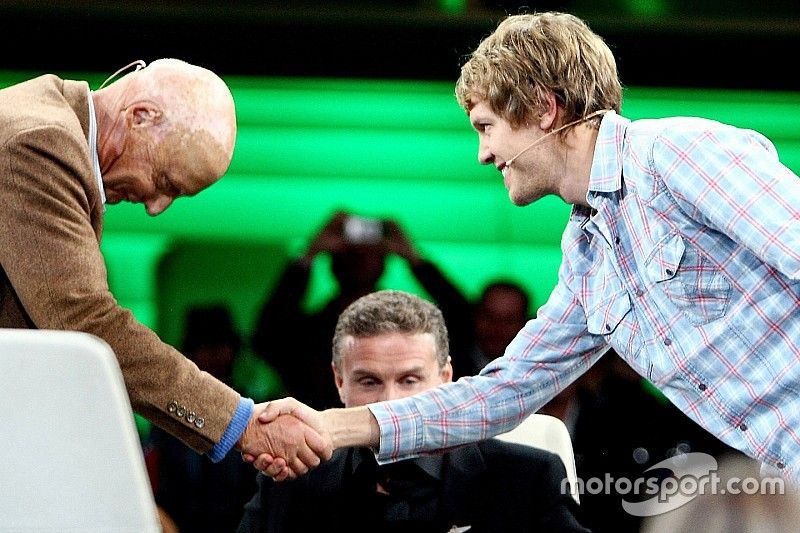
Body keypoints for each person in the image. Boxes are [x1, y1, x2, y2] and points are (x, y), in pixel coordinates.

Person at [253, 11, 800, 485]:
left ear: (542, 108)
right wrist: (329, 426)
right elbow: (502, 393)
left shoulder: (680, 154)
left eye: (486, 127)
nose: (482, 155)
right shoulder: (588, 256)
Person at [0, 58, 327, 475]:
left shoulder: (43, 118)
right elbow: (83, 320)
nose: (156, 208)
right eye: (166, 181)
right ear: (140, 116)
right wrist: (238, 421)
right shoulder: (40, 143)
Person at [239, 290, 589, 532]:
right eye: (369, 382)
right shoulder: (292, 484)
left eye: (409, 380)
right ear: (339, 381)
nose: (391, 401)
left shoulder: (526, 477)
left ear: (446, 378)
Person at [252, 210, 470, 408]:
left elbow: (466, 325)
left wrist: (414, 259)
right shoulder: (308, 332)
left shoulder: (413, 333)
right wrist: (308, 256)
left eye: (371, 253)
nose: (361, 259)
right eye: (352, 253)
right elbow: (266, 337)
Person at [149, 304, 257, 533]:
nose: (215, 355)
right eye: (205, 346)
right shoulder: (168, 416)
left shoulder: (253, 411)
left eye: (221, 345)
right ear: (190, 352)